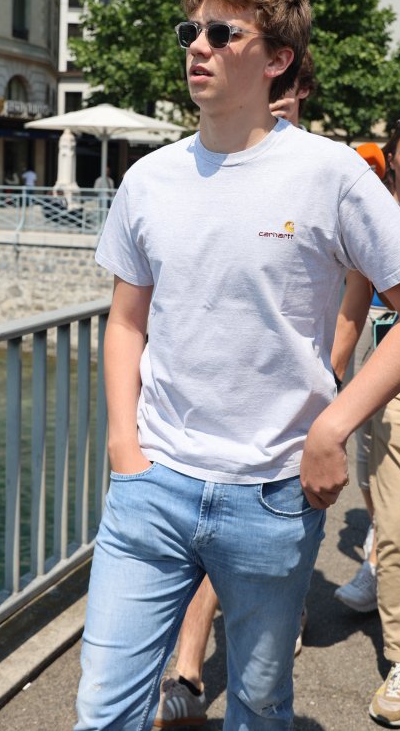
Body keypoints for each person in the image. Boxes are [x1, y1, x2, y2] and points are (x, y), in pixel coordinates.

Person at [75, 0, 400, 731]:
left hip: (271, 494)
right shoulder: (148, 179)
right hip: (152, 488)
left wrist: (332, 426)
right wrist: (126, 448)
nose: (197, 46)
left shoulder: (331, 174)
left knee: (259, 706)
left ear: (276, 58)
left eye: (222, 33)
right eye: (190, 30)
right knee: (102, 709)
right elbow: (125, 321)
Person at [154, 49, 317, 729]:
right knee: (206, 549)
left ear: (291, 86)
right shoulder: (191, 168)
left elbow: (354, 298)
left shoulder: (321, 173)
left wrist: (333, 408)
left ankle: (262, 636)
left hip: (288, 430)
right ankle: (189, 668)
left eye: (287, 94)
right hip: (190, 440)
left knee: (261, 678)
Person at [332, 121, 400, 728]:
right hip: (394, 376)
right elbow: (355, 300)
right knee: (392, 518)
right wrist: (330, 379)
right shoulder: (380, 215)